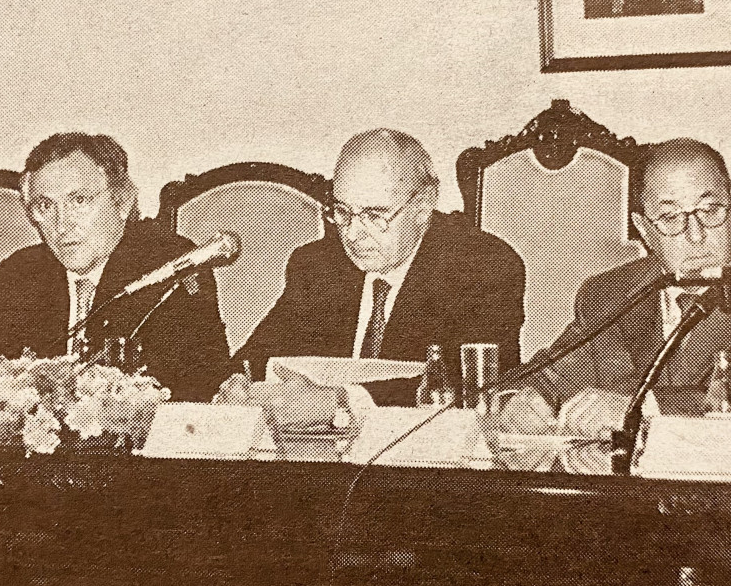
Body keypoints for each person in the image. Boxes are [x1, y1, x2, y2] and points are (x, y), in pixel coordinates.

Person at [511, 138, 731, 436]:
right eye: (671, 218)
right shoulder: (608, 294)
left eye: (710, 210)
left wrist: (640, 409)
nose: (696, 235)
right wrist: (523, 400)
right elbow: (545, 377)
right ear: (644, 229)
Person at [221, 128, 526, 408]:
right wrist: (238, 383)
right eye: (342, 212)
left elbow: (474, 386)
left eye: (374, 215)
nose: (352, 234)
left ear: (422, 207)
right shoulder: (316, 265)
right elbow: (256, 358)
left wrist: (342, 400)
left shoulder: (482, 265)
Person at [0, 133, 230, 401]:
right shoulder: (20, 274)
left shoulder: (170, 266)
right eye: (45, 206)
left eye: (79, 201)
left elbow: (195, 388)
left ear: (122, 201)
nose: (62, 226)